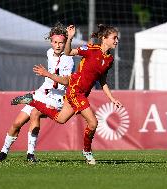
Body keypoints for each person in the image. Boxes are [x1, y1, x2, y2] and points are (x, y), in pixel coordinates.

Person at [11, 24, 123, 165]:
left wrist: (112, 98)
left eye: (117, 38)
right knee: (93, 123)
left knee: (61, 119)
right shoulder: (90, 49)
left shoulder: (109, 59)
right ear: (104, 38)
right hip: (75, 91)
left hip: (83, 93)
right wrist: (69, 38)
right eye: (114, 38)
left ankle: (32, 100)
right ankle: (87, 152)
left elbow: (103, 81)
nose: (116, 41)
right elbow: (69, 52)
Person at [0, 23, 74, 162]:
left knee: (35, 113)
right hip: (42, 93)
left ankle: (30, 154)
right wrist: (46, 76)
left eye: (61, 42)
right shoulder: (49, 52)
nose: (58, 45)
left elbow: (66, 82)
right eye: (55, 42)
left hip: (57, 98)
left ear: (65, 42)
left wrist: (47, 74)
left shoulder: (69, 59)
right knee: (17, 123)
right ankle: (3, 152)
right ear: (51, 41)